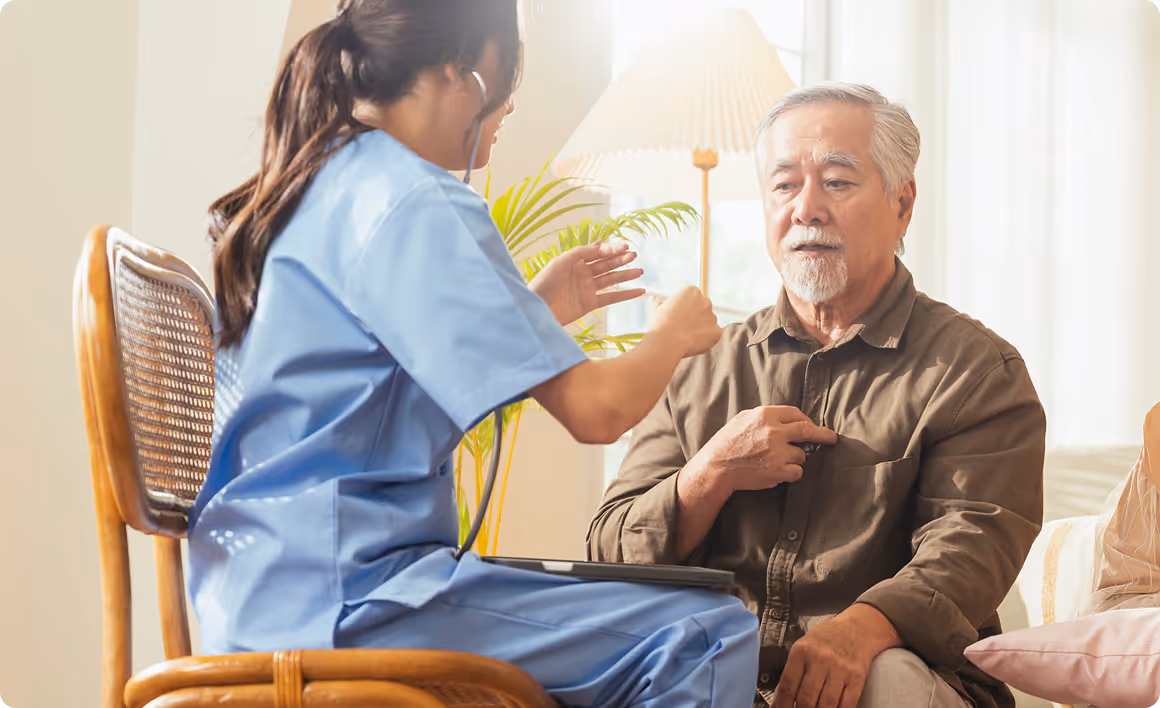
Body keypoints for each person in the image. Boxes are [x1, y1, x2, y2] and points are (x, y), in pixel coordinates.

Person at [188, 1, 759, 706]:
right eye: (508, 72)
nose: (512, 101)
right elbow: (598, 410)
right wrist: (671, 335)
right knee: (708, 630)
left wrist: (537, 307)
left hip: (256, 600)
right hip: (353, 603)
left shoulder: (316, 183)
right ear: (465, 71)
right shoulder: (415, 198)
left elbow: (379, 374)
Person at [588, 82, 1046, 708]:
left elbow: (972, 547)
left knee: (884, 677)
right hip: (716, 680)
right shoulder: (700, 365)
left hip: (899, 677)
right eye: (783, 185)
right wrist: (710, 472)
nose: (805, 208)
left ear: (902, 202)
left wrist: (862, 629)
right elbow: (609, 550)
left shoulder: (975, 371)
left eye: (836, 181)